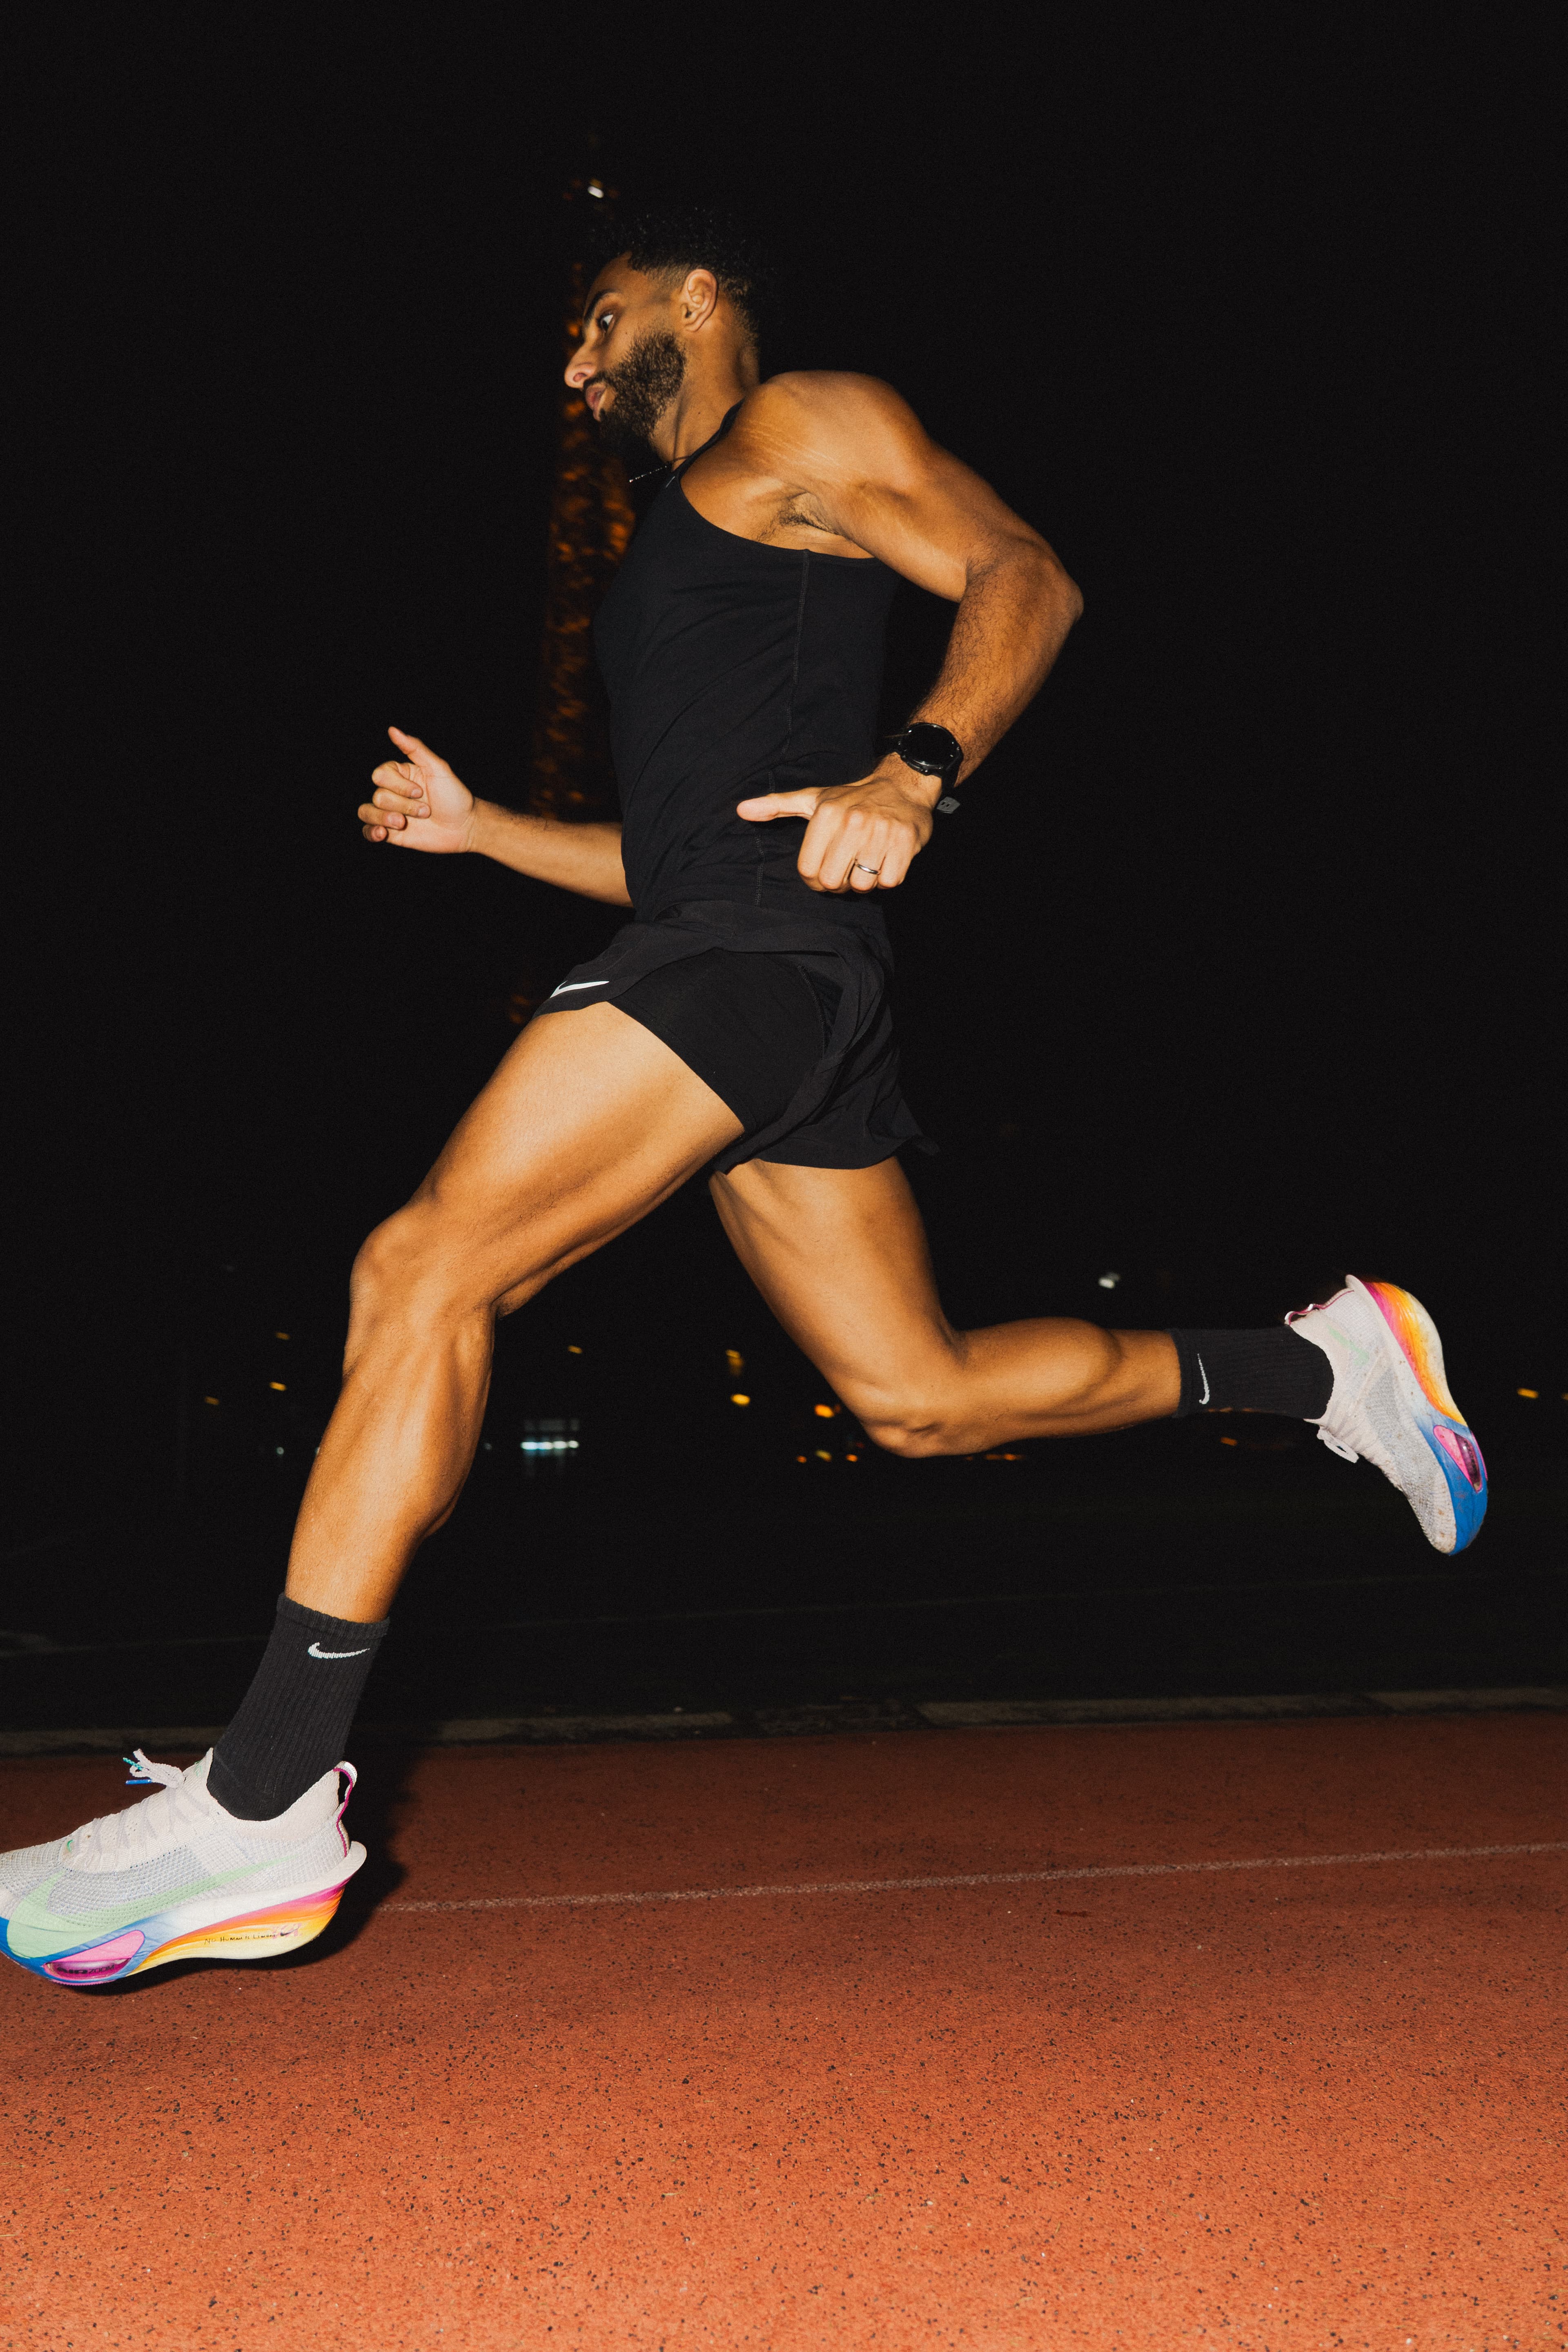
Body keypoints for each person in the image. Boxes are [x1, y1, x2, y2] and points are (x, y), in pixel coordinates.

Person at [2, 207, 1487, 1988]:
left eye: (598, 321)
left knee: (423, 1271)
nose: (575, 364)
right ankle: (1328, 1361)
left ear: (696, 296)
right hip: (751, 967)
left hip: (757, 972)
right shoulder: (694, 547)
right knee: (919, 1399)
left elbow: (1028, 575)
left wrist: (919, 770)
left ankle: (262, 1800)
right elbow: (678, 856)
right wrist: (484, 834)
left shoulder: (806, 422)